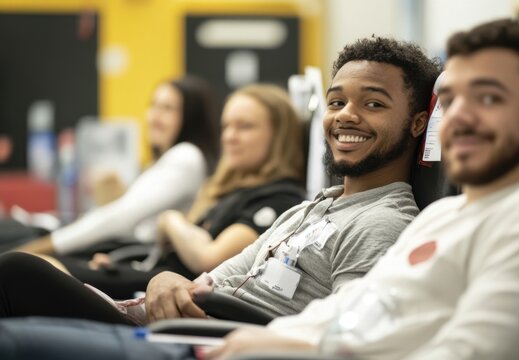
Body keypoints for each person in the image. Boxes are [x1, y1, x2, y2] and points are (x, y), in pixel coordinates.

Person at [206, 19, 519, 360]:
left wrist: (293, 348)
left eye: (488, 98)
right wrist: (259, 342)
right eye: (451, 101)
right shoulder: (442, 214)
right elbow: (345, 311)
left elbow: (474, 351)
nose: (460, 118)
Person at [0, 36, 440, 328]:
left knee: (17, 271)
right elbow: (208, 278)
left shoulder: (383, 223)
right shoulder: (308, 208)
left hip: (202, 343)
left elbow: (345, 338)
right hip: (168, 320)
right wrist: (164, 282)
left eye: (373, 103)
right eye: (337, 101)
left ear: (419, 123)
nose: (346, 114)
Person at [47, 84, 308, 299]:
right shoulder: (233, 189)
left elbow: (210, 259)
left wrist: (170, 220)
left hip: (172, 296)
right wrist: (121, 263)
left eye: (245, 126)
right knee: (30, 266)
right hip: (152, 280)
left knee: (25, 269)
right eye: (226, 126)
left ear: (279, 136)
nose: (229, 136)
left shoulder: (280, 199)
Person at [10, 75, 220, 256]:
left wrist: (44, 247)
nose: (155, 115)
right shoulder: (169, 160)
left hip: (132, 256)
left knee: (17, 250)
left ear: (191, 118)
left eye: (167, 108)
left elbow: (122, 217)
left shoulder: (186, 157)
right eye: (153, 105)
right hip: (121, 247)